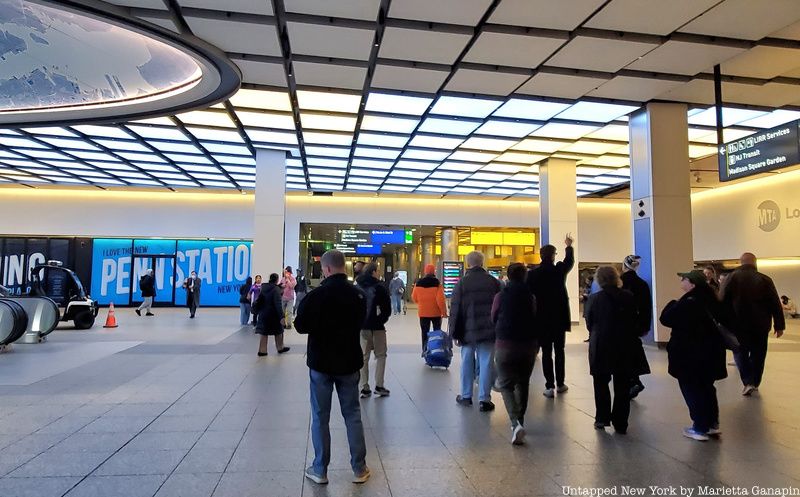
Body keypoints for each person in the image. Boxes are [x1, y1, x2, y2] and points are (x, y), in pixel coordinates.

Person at [295, 250, 370, 485]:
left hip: (321, 363)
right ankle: (359, 468)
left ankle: (320, 469)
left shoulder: (316, 295)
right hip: (349, 362)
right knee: (353, 414)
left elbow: (299, 326)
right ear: (343, 267)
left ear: (326, 269)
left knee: (320, 416)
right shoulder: (358, 294)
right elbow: (362, 321)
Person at [660, 270, 727, 441]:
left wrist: (672, 303)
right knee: (707, 387)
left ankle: (699, 427)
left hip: (689, 355)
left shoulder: (688, 303)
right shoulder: (712, 300)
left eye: (683, 279)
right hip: (711, 352)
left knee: (692, 387)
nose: (681, 281)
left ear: (692, 284)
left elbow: (666, 318)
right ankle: (712, 423)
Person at [721, 252, 785, 396]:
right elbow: (775, 303)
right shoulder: (765, 279)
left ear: (741, 262)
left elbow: (722, 301)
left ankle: (748, 381)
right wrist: (779, 325)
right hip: (760, 325)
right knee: (759, 354)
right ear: (755, 263)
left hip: (737, 325)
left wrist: (723, 323)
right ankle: (755, 382)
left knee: (740, 352)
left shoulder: (731, 278)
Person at [585, 266, 638, 434]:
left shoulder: (594, 299)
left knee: (600, 382)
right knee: (622, 384)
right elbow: (634, 319)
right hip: (624, 344)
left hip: (601, 343)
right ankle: (621, 421)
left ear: (599, 279)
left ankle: (602, 418)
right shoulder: (628, 297)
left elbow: (589, 323)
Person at [491, 263, 538, 445]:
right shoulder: (531, 297)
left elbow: (493, 316)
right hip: (528, 345)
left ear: (508, 277)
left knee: (505, 384)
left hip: (505, 344)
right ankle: (520, 420)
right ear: (525, 276)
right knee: (523, 383)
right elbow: (535, 315)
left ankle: (515, 422)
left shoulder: (500, 296)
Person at [450, 251, 501, 412]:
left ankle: (466, 396)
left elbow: (455, 310)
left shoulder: (462, 283)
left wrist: (454, 333)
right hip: (489, 330)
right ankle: (484, 399)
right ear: (482, 262)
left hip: (467, 330)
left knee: (466, 361)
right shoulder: (494, 282)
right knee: (486, 363)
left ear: (468, 263)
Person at [526, 234, 575, 398]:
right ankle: (561, 383)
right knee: (559, 351)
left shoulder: (533, 274)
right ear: (554, 256)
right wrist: (568, 246)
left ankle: (549, 385)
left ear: (541, 256)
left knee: (546, 352)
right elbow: (569, 262)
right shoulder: (559, 270)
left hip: (541, 319)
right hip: (559, 318)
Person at [357, 263, 392, 398]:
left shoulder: (357, 287)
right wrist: (381, 320)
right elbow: (387, 310)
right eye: (378, 271)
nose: (379, 273)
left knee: (364, 358)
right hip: (377, 328)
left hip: (362, 327)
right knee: (381, 356)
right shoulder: (380, 288)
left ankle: (364, 387)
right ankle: (379, 385)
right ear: (373, 272)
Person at [619, 255, 652, 399]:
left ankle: (632, 381)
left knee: (622, 355)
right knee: (633, 350)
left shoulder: (619, 282)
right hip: (636, 325)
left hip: (621, 325)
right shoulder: (642, 284)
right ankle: (634, 379)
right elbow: (646, 307)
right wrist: (645, 326)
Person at [411, 264, 448, 353]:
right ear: (434, 271)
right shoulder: (437, 283)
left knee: (424, 332)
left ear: (425, 271)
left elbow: (414, 297)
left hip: (423, 312)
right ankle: (436, 349)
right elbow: (440, 300)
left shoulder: (418, 283)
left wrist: (421, 303)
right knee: (436, 332)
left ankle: (424, 349)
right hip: (436, 313)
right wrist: (444, 312)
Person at [254, 273, 290, 356]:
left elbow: (261, 299)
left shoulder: (263, 287)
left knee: (264, 333)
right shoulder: (276, 289)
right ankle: (280, 347)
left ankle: (262, 351)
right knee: (278, 331)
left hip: (263, 313)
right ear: (277, 280)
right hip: (273, 315)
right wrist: (282, 317)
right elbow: (277, 303)